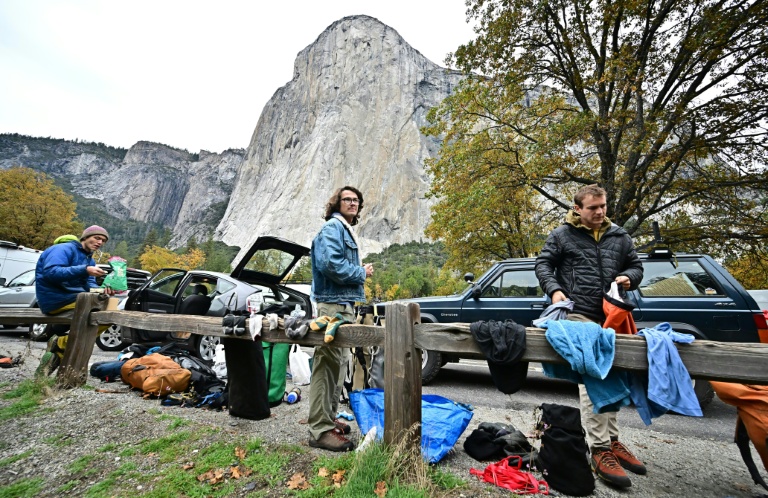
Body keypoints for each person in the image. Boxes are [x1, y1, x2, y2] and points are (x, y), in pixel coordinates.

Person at [535, 184, 645, 489]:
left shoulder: (619, 235)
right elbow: (543, 264)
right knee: (593, 376)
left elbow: (636, 266)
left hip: (612, 314)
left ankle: (611, 441)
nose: (600, 212)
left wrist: (628, 278)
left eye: (603, 206)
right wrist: (555, 291)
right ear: (578, 209)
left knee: (613, 375)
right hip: (578, 314)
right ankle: (599, 449)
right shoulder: (561, 234)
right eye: (593, 207)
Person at [308, 186, 374, 451]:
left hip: (342, 305)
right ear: (336, 203)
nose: (353, 203)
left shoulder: (344, 229)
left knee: (338, 366)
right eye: (347, 199)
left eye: (356, 200)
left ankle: (328, 419)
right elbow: (330, 265)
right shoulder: (332, 229)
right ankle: (319, 431)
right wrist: (360, 272)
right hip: (332, 307)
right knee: (326, 366)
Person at [35, 225, 115, 376]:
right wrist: (83, 270)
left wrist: (102, 291)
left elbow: (89, 285)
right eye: (97, 238)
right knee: (105, 315)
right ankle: (60, 344)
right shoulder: (63, 249)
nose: (100, 242)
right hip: (55, 299)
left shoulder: (88, 260)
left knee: (110, 312)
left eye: (103, 240)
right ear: (85, 237)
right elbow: (51, 272)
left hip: (75, 298)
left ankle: (58, 351)